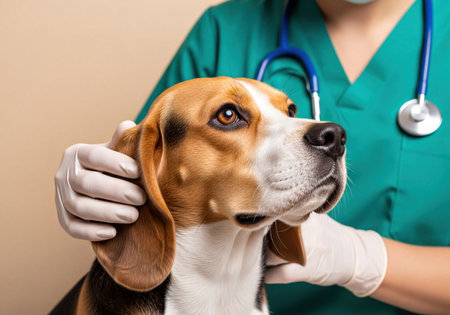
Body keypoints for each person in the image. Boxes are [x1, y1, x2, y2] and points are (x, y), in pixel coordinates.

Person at [54, 0, 450, 313]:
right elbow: (150, 178)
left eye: (288, 111)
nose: (322, 131)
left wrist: (363, 259)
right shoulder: (225, 29)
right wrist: (107, 188)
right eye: (229, 115)